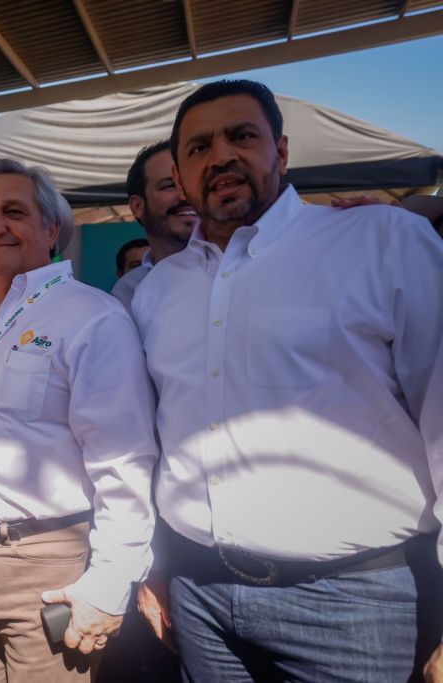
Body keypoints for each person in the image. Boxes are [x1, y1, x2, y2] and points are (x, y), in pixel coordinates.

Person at [131, 79, 443, 681]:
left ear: (281, 151)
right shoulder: (157, 291)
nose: (221, 156)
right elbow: (158, 441)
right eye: (198, 148)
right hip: (196, 595)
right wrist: (156, 565)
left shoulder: (381, 241)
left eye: (242, 136)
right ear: (182, 176)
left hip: (351, 605)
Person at [0, 158, 158, 681]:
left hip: (42, 565)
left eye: (14, 212)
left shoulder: (92, 317)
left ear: (52, 229)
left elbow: (124, 461)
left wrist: (109, 583)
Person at [111, 141, 199, 310]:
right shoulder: (127, 292)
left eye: (191, 183)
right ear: (137, 206)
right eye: (169, 186)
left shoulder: (237, 270)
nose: (185, 195)